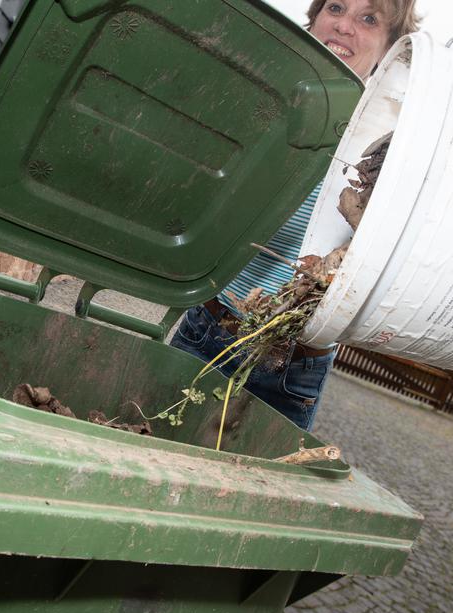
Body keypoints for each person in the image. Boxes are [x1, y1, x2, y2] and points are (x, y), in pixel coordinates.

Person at [170, 0, 420, 431]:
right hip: (209, 329)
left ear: (389, 49)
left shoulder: (394, 145)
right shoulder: (264, 98)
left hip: (292, 369)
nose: (344, 26)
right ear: (315, 17)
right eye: (336, 7)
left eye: (368, 19)